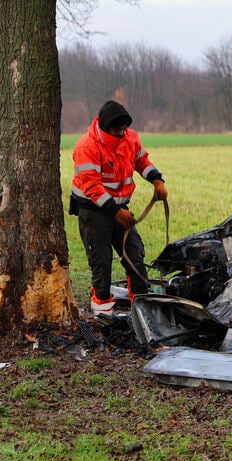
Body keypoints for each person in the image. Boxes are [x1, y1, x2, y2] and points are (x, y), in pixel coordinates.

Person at [69, 100, 168, 315]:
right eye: (117, 130)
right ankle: (102, 310)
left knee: (135, 255)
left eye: (125, 128)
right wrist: (116, 212)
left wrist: (157, 180)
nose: (123, 133)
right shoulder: (87, 147)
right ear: (105, 127)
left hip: (120, 208)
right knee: (101, 261)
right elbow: (92, 187)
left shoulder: (130, 138)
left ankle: (141, 306)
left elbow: (142, 161)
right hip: (93, 211)